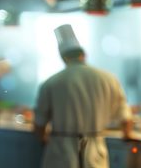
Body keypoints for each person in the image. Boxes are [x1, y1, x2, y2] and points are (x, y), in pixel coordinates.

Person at [33, 24, 133, 168]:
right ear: (83, 55)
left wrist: (43, 139)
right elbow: (125, 115)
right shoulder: (108, 78)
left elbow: (39, 123)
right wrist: (127, 134)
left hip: (61, 153)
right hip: (95, 152)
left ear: (63, 57)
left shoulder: (51, 82)